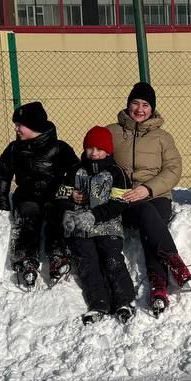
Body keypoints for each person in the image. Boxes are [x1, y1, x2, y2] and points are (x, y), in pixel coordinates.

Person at [107, 82, 191, 314]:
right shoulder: (111, 132)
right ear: (128, 105)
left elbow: (173, 169)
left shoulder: (163, 137)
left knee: (151, 216)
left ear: (152, 109)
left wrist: (148, 189)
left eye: (145, 105)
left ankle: (159, 286)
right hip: (123, 199)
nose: (140, 109)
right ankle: (173, 264)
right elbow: (95, 162)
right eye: (135, 103)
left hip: (156, 195)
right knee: (145, 215)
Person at [0, 100, 79, 290]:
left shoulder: (59, 148)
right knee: (28, 216)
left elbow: (77, 173)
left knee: (57, 216)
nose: (16, 129)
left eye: (19, 125)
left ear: (34, 126)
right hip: (27, 196)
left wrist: (70, 192)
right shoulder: (14, 149)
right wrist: (1, 207)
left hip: (55, 196)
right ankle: (26, 259)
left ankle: (58, 256)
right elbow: (2, 178)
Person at [62, 126, 137, 324]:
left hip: (108, 226)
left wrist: (95, 215)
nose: (94, 153)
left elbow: (119, 202)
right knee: (87, 263)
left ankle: (124, 301)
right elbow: (59, 195)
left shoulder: (116, 173)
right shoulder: (75, 170)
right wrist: (70, 199)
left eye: (99, 149)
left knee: (111, 258)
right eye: (90, 148)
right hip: (81, 228)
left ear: (108, 150)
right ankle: (98, 303)